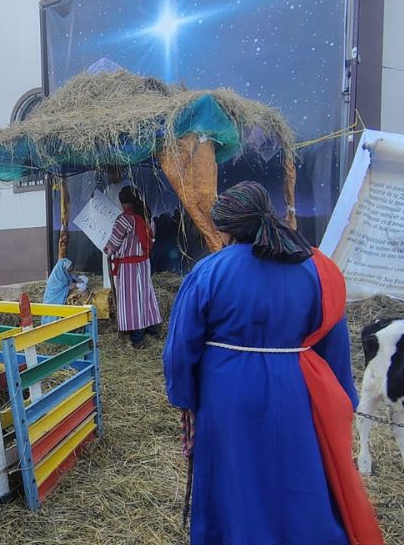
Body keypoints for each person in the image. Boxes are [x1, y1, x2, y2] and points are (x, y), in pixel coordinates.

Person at [162, 181, 382, 545]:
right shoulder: (315, 270)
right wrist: (342, 394)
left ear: (227, 227)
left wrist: (183, 395)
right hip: (298, 387)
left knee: (233, 476)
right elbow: (333, 339)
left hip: (226, 393)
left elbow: (180, 347)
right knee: (297, 470)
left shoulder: (209, 271)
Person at [103, 186, 163, 348]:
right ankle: (153, 330)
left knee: (131, 300)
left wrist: (107, 249)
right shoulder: (146, 217)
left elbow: (113, 243)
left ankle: (137, 339)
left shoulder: (124, 219)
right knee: (145, 295)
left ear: (123, 203)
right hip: (143, 263)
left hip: (129, 266)